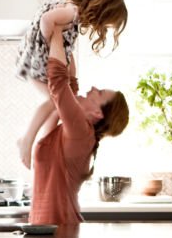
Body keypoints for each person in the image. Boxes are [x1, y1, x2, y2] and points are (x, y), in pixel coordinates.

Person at [27, 17, 130, 225]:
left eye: (99, 93)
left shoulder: (82, 133)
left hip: (61, 236)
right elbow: (69, 85)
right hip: (48, 234)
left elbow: (59, 83)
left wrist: (56, 29)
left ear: (98, 114)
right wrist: (65, 38)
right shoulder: (73, 130)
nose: (92, 89)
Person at [16, 0, 128, 169]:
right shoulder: (72, 13)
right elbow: (46, 19)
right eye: (107, 24)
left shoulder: (75, 14)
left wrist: (67, 64)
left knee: (56, 106)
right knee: (54, 102)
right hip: (36, 60)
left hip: (37, 58)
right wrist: (48, 42)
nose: (103, 27)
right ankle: (27, 140)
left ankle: (43, 146)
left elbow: (65, 44)